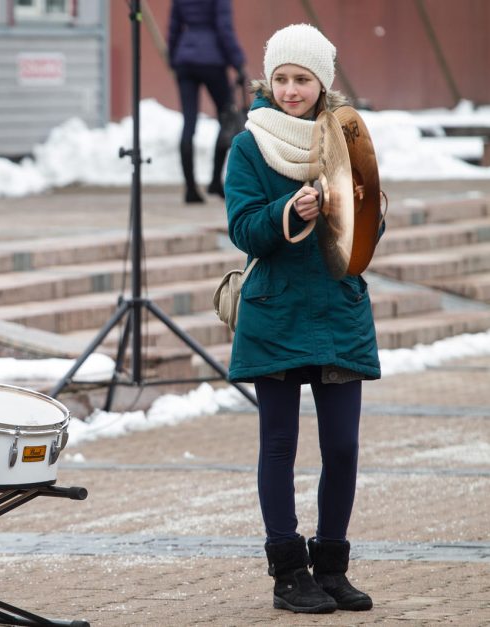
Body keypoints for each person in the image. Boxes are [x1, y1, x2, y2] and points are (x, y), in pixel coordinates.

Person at [223, 24, 380, 614]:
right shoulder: (249, 145)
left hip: (338, 309)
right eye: (282, 79)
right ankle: (289, 573)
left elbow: (369, 230)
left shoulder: (345, 137)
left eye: (303, 80)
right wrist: (288, 209)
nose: (291, 90)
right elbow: (243, 229)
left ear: (323, 83)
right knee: (279, 447)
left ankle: (332, 567)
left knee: (342, 449)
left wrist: (356, 208)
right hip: (277, 310)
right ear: (270, 80)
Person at [167, 0, 246, 204]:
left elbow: (173, 26)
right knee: (227, 117)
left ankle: (190, 188)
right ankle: (215, 181)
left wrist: (173, 57)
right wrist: (238, 62)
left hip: (185, 59)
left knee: (189, 123)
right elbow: (224, 27)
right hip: (212, 59)